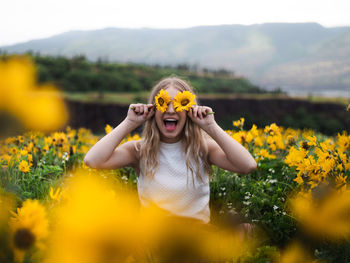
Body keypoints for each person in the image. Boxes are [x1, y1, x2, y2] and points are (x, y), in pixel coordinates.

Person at [83, 76, 257, 225]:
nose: (171, 110)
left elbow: (247, 165)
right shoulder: (138, 150)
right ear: (153, 109)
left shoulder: (203, 148)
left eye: (180, 104)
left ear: (190, 110)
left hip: (196, 236)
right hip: (154, 236)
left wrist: (210, 126)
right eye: (163, 103)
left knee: (248, 230)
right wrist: (130, 122)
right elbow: (92, 160)